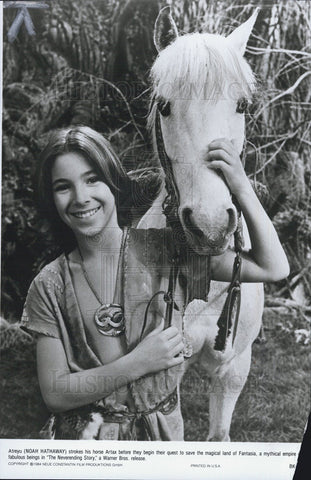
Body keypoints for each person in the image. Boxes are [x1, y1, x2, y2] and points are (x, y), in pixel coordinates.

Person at [21, 125, 289, 440]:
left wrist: (241, 187)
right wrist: (138, 362)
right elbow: (55, 392)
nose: (81, 198)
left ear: (114, 183)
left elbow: (273, 267)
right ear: (51, 198)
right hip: (87, 447)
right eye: (63, 187)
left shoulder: (168, 253)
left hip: (162, 442)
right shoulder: (49, 284)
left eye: (93, 179)